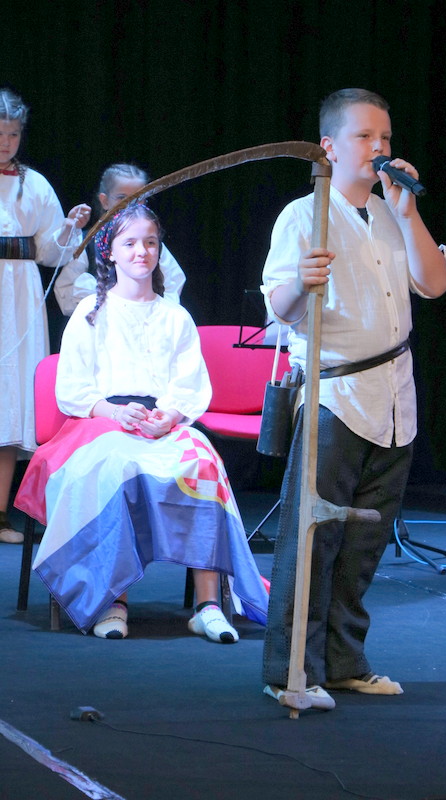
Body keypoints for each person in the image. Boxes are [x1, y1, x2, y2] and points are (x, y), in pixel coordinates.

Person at [260, 88, 446, 710]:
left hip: (395, 393)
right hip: (336, 394)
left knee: (366, 541)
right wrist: (300, 283)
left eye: (385, 137)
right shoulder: (304, 215)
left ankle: (344, 662)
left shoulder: (393, 214)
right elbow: (278, 309)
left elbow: (434, 284)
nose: (379, 148)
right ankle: (292, 669)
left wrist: (409, 213)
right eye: (365, 136)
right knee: (313, 538)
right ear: (330, 147)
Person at [15, 203, 268, 641]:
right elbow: (71, 387)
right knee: (117, 467)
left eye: (150, 242)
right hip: (100, 421)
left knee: (204, 462)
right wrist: (113, 412)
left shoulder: (175, 315)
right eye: (130, 243)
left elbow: (189, 383)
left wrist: (169, 415)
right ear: (110, 252)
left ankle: (207, 604)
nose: (141, 251)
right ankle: (113, 600)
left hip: (160, 420)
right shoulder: (91, 312)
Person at [0, 88, 91, 544]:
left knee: (11, 400)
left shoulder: (33, 184)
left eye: (13, 134)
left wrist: (69, 228)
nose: (6, 142)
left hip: (17, 297)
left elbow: (51, 254)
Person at [54, 163, 186, 316]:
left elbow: (172, 283)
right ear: (105, 201)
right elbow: (65, 291)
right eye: (122, 198)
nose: (130, 205)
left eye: (139, 198)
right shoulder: (89, 243)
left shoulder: (151, 244)